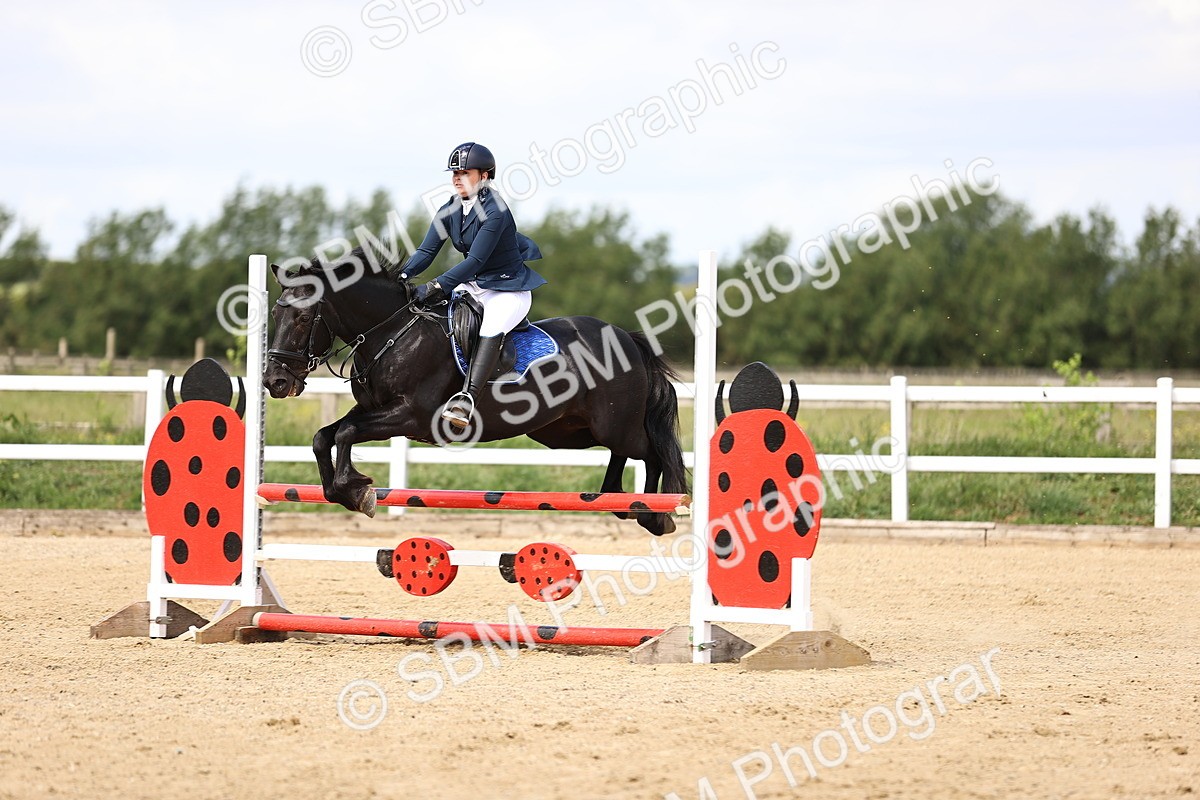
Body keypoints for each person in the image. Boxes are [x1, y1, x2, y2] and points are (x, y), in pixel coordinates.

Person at [400, 142, 547, 429]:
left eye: (465, 172)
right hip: (474, 286)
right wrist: (402, 278)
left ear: (484, 175)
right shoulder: (451, 208)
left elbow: (476, 260)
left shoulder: (496, 211)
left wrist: (436, 285)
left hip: (507, 289)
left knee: (490, 326)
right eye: (454, 172)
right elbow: (427, 252)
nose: (457, 177)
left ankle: (467, 398)